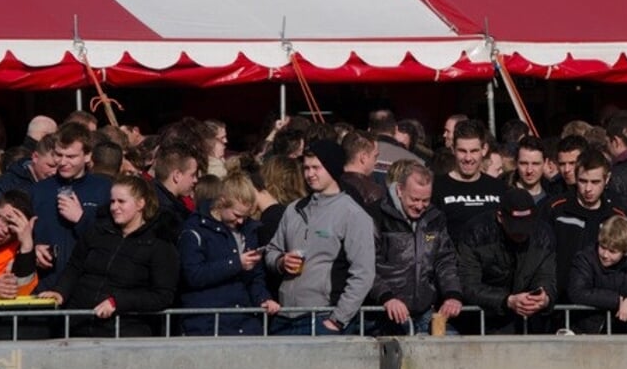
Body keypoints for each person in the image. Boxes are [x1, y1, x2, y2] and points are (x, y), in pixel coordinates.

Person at [39, 175, 178, 337]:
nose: (114, 207)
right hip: (78, 325)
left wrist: (118, 302)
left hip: (124, 332)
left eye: (121, 201)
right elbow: (75, 267)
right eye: (112, 201)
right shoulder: (98, 230)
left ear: (140, 203)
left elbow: (162, 295)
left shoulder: (160, 243)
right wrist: (60, 292)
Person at [264, 140, 376, 335]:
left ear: (331, 167)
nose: (309, 174)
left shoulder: (352, 214)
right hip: (285, 316)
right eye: (306, 168)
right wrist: (281, 261)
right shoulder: (294, 209)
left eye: (316, 167)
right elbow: (271, 250)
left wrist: (338, 320)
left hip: (323, 316)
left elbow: (363, 273)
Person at [369, 162, 463, 335]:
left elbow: (445, 260)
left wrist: (452, 294)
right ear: (399, 190)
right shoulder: (376, 215)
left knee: (451, 348)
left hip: (425, 310)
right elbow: (366, 265)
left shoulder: (434, 217)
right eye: (414, 199)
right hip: (383, 313)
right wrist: (386, 297)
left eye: (425, 200)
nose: (420, 206)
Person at [178, 175, 278, 336]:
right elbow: (193, 275)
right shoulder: (195, 230)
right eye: (236, 215)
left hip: (245, 323)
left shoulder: (249, 230)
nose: (240, 221)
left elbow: (255, 277)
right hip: (208, 325)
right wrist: (235, 264)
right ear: (222, 201)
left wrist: (263, 299)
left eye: (245, 217)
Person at [456, 187, 557, 334]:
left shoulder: (543, 235)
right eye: (515, 227)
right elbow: (468, 284)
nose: (521, 233)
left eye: (526, 226)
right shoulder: (476, 233)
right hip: (482, 322)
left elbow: (547, 276)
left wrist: (543, 298)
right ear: (500, 217)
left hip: (528, 322)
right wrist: (507, 300)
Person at [31, 124, 113, 289]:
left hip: (87, 287)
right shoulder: (38, 190)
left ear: (88, 155)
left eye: (71, 156)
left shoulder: (104, 189)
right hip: (45, 285)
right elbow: (22, 233)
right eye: (58, 155)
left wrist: (81, 219)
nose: (62, 162)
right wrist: (32, 248)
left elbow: (112, 237)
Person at [548, 150, 627, 301]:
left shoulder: (618, 215)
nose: (588, 189)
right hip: (560, 301)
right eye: (583, 181)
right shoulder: (555, 209)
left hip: (604, 303)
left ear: (607, 179)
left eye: (595, 182)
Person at [566, 215, 627, 335]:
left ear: (626, 251)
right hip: (589, 331)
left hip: (623, 332)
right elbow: (578, 292)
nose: (605, 255)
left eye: (612, 251)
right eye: (602, 247)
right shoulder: (585, 258)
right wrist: (617, 301)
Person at [432, 120, 504, 244]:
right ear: (453, 149)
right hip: (451, 261)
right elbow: (427, 236)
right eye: (462, 151)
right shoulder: (436, 188)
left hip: (491, 262)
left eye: (474, 151)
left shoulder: (499, 188)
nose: (468, 158)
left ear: (484, 149)